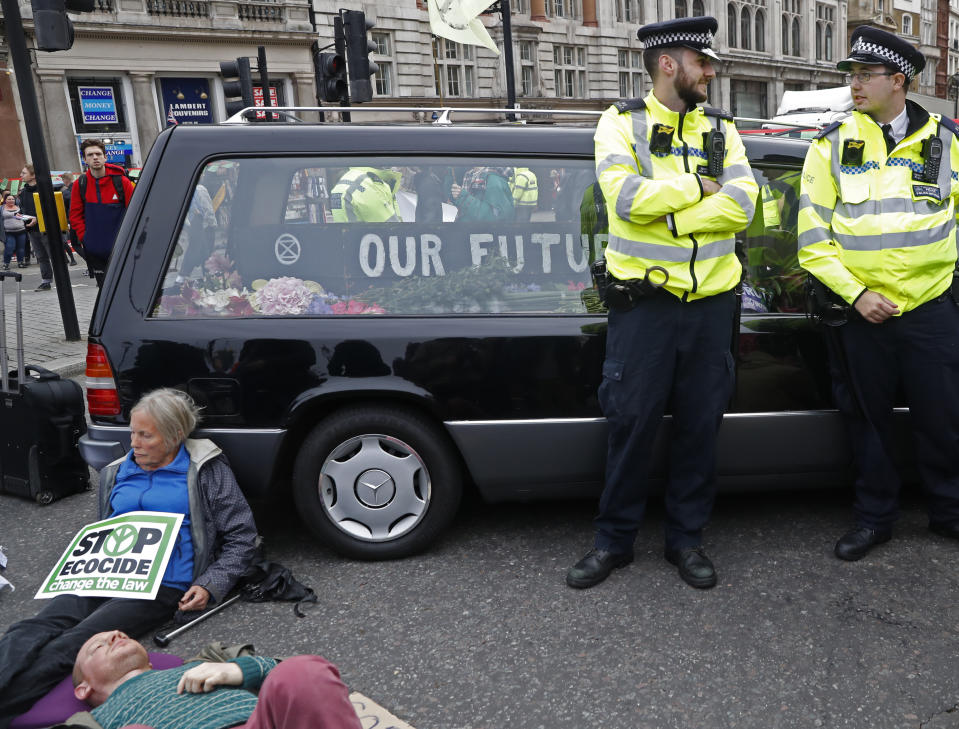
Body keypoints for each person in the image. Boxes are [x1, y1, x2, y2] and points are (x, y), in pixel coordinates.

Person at [566, 17, 757, 590]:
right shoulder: (619, 123)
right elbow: (623, 199)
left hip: (710, 306)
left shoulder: (721, 129)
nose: (712, 71)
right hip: (644, 306)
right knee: (631, 422)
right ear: (670, 64)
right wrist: (699, 191)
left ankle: (686, 540)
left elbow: (744, 202)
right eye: (704, 62)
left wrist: (665, 211)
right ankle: (613, 541)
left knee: (701, 424)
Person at [0, 388, 257, 725]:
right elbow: (105, 530)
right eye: (132, 432)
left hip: (162, 583)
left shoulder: (205, 469)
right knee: (31, 628)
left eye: (144, 435)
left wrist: (210, 584)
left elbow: (242, 537)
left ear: (175, 436)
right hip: (108, 571)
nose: (133, 442)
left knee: (76, 643)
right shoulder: (119, 470)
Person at [798, 27, 959, 561]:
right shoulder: (830, 145)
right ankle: (874, 518)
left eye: (865, 75)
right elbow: (812, 238)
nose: (855, 84)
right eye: (852, 75)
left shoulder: (947, 141)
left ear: (899, 81)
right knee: (868, 423)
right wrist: (856, 293)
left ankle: (949, 511)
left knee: (944, 417)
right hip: (862, 312)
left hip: (932, 306)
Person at [69, 630, 362, 729]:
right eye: (99, 645)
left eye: (121, 635)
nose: (116, 636)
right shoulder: (98, 719)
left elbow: (300, 686)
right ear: (84, 688)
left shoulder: (202, 663)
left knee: (302, 671)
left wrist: (237, 671)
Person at [68, 139, 135, 287]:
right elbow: (75, 215)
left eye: (98, 154)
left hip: (122, 248)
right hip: (95, 251)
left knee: (125, 287)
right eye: (90, 155)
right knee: (104, 292)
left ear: (105, 157)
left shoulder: (122, 182)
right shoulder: (80, 184)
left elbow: (135, 212)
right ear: (85, 159)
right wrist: (86, 238)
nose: (95, 157)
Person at [18, 164, 54, 291]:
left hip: (47, 229)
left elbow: (51, 209)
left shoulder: (44, 190)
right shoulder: (23, 192)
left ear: (33, 175)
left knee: (53, 256)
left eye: (24, 173)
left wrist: (38, 219)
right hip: (31, 230)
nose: (21, 175)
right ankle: (46, 281)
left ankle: (62, 280)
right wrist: (19, 215)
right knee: (41, 257)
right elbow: (23, 209)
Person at [329, 166, 402, 222]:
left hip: (349, 240)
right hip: (368, 240)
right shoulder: (370, 185)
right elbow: (392, 231)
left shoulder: (350, 179)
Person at [1, 192, 30, 271]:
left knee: (21, 248)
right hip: (8, 232)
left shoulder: (19, 207)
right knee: (9, 247)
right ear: (5, 200)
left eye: (12, 199)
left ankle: (20, 262)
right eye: (9, 199)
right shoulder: (1, 208)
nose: (11, 200)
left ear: (15, 200)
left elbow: (25, 217)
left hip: (21, 231)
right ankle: (6, 264)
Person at [59, 172, 79, 266]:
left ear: (65, 180)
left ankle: (91, 266)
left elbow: (65, 207)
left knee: (75, 244)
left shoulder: (66, 192)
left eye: (63, 180)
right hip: (82, 219)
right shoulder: (78, 187)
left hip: (74, 220)